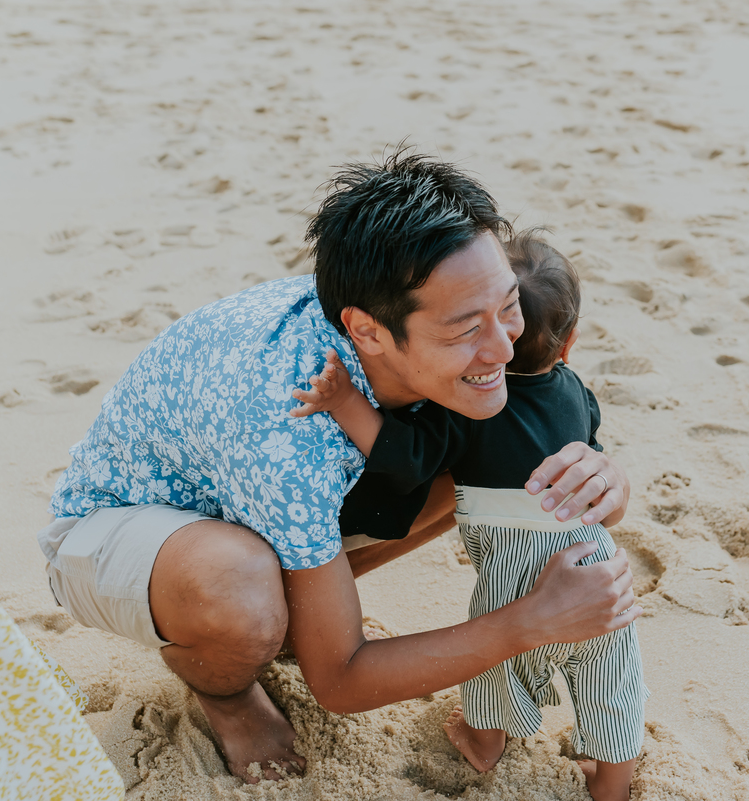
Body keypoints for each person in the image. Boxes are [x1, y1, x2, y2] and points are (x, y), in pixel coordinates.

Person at [37, 152, 640, 784]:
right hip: (114, 536)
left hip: (253, 504)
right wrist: (532, 622)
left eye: (509, 306)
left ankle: (297, 610)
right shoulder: (290, 422)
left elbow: (541, 435)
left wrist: (605, 479)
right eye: (465, 329)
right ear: (369, 331)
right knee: (241, 591)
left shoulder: (454, 339)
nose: (503, 347)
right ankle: (226, 690)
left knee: (482, 451)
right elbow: (341, 681)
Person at [291, 232, 646, 801]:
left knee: (494, 662)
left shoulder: (468, 404)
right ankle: (612, 785)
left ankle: (484, 741)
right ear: (568, 344)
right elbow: (593, 449)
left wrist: (343, 403)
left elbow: (403, 459)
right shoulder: (576, 391)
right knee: (612, 674)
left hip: (514, 572)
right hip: (591, 563)